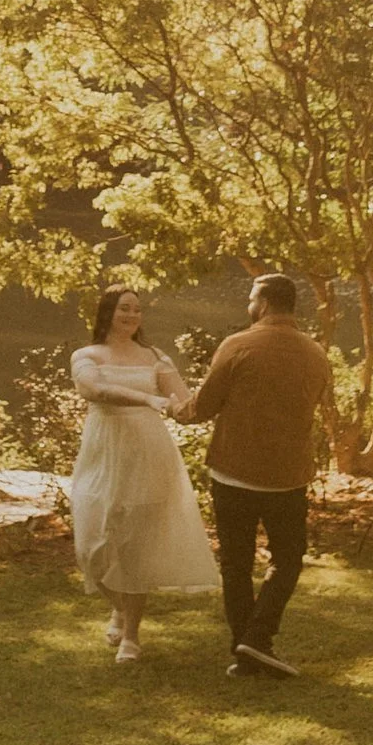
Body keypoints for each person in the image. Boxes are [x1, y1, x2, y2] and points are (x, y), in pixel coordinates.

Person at [183, 272, 336, 676]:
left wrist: (173, 407)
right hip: (289, 475)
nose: (249, 306)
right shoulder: (317, 354)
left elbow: (202, 407)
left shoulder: (238, 345)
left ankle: (247, 642)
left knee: (236, 564)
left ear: (264, 303)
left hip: (234, 472)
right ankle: (256, 640)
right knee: (287, 559)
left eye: (252, 299)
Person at [67, 283, 219, 663]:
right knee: (90, 548)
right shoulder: (87, 355)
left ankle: (131, 636)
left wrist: (210, 399)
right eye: (124, 309)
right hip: (103, 452)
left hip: (149, 453)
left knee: (136, 548)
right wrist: (149, 398)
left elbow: (183, 404)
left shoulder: (154, 356)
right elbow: (95, 390)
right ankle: (119, 605)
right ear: (107, 313)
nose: (132, 316)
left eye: (137, 309)